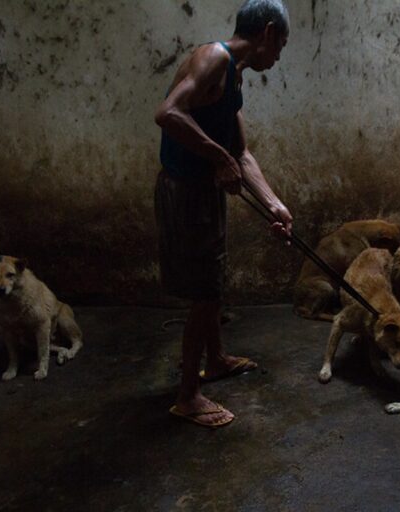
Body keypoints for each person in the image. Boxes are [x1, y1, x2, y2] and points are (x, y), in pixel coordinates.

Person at [154, 0, 293, 428]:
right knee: (206, 293)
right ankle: (188, 396)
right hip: (186, 192)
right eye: (281, 45)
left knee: (213, 280)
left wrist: (273, 203)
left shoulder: (234, 77)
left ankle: (213, 360)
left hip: (205, 190)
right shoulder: (214, 57)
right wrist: (216, 158)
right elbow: (168, 113)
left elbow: (241, 154)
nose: (279, 56)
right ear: (267, 33)